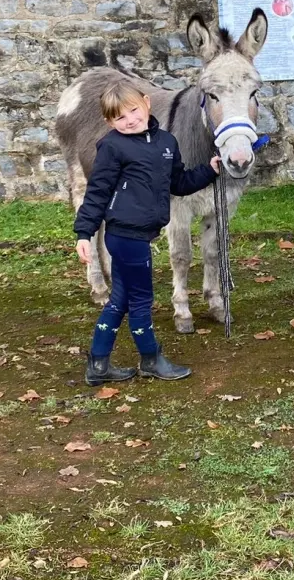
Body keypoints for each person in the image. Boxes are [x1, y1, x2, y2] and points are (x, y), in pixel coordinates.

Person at [74, 81, 220, 385]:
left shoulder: (166, 143)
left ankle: (98, 364)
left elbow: (178, 183)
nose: (129, 120)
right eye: (119, 118)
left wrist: (209, 170)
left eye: (132, 111)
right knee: (141, 300)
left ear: (146, 103)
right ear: (109, 122)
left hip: (142, 233)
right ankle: (151, 359)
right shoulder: (112, 147)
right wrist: (84, 232)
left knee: (121, 300)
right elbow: (97, 192)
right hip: (125, 236)